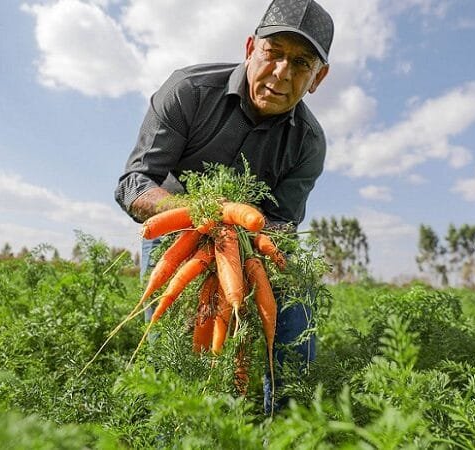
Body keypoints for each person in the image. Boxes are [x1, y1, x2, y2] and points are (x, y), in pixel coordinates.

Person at [114, 0, 334, 412]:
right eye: (274, 53)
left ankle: (288, 427)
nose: (282, 73)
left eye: (302, 63)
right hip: (177, 230)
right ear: (251, 47)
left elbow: (283, 224)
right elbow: (133, 184)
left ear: (318, 79)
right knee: (172, 347)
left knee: (294, 319)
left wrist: (246, 242)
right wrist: (199, 210)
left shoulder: (309, 143)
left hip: (253, 245)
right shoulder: (190, 91)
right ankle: (171, 429)